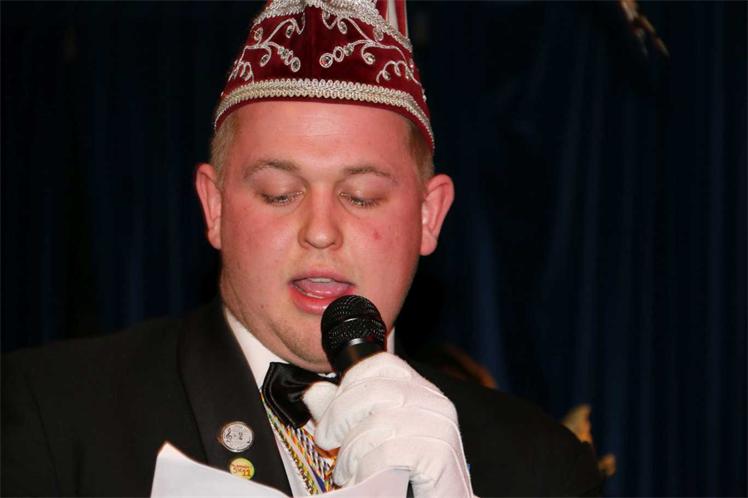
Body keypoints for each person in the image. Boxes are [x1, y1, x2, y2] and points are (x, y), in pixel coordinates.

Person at [1, 1, 602, 496]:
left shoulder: (539, 466)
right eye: (279, 193)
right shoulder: (51, 418)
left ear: (428, 215)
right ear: (214, 208)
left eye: (362, 196)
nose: (320, 230)